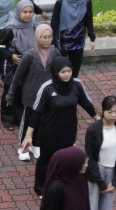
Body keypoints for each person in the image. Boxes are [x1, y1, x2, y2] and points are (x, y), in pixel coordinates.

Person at [22, 55, 96, 194]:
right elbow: (37, 112)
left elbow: (86, 103)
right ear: (56, 72)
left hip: (68, 132)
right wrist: (28, 135)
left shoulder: (76, 85)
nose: (66, 74)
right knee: (46, 161)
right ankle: (40, 188)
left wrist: (99, 119)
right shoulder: (47, 88)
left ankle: (62, 185)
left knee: (66, 159)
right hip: (49, 133)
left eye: (69, 71)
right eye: (63, 72)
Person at [5, 23, 56, 148]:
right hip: (31, 96)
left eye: (50, 37)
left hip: (47, 97)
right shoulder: (29, 55)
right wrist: (10, 96)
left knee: (42, 121)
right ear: (37, 37)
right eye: (44, 37)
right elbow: (17, 77)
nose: (47, 40)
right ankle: (23, 148)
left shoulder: (55, 53)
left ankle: (36, 145)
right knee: (27, 121)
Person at [0, 0, 43, 129]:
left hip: (29, 66)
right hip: (12, 67)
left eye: (30, 12)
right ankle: (7, 118)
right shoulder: (9, 28)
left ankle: (19, 117)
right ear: (18, 12)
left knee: (24, 92)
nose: (28, 15)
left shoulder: (35, 27)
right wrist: (11, 56)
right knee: (10, 91)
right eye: (24, 12)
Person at [50, 0, 95, 77]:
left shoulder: (87, 0)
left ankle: (73, 84)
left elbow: (89, 20)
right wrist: (52, 40)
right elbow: (54, 21)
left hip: (78, 39)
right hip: (62, 39)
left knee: (75, 66)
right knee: (60, 66)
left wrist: (92, 38)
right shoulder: (61, 0)